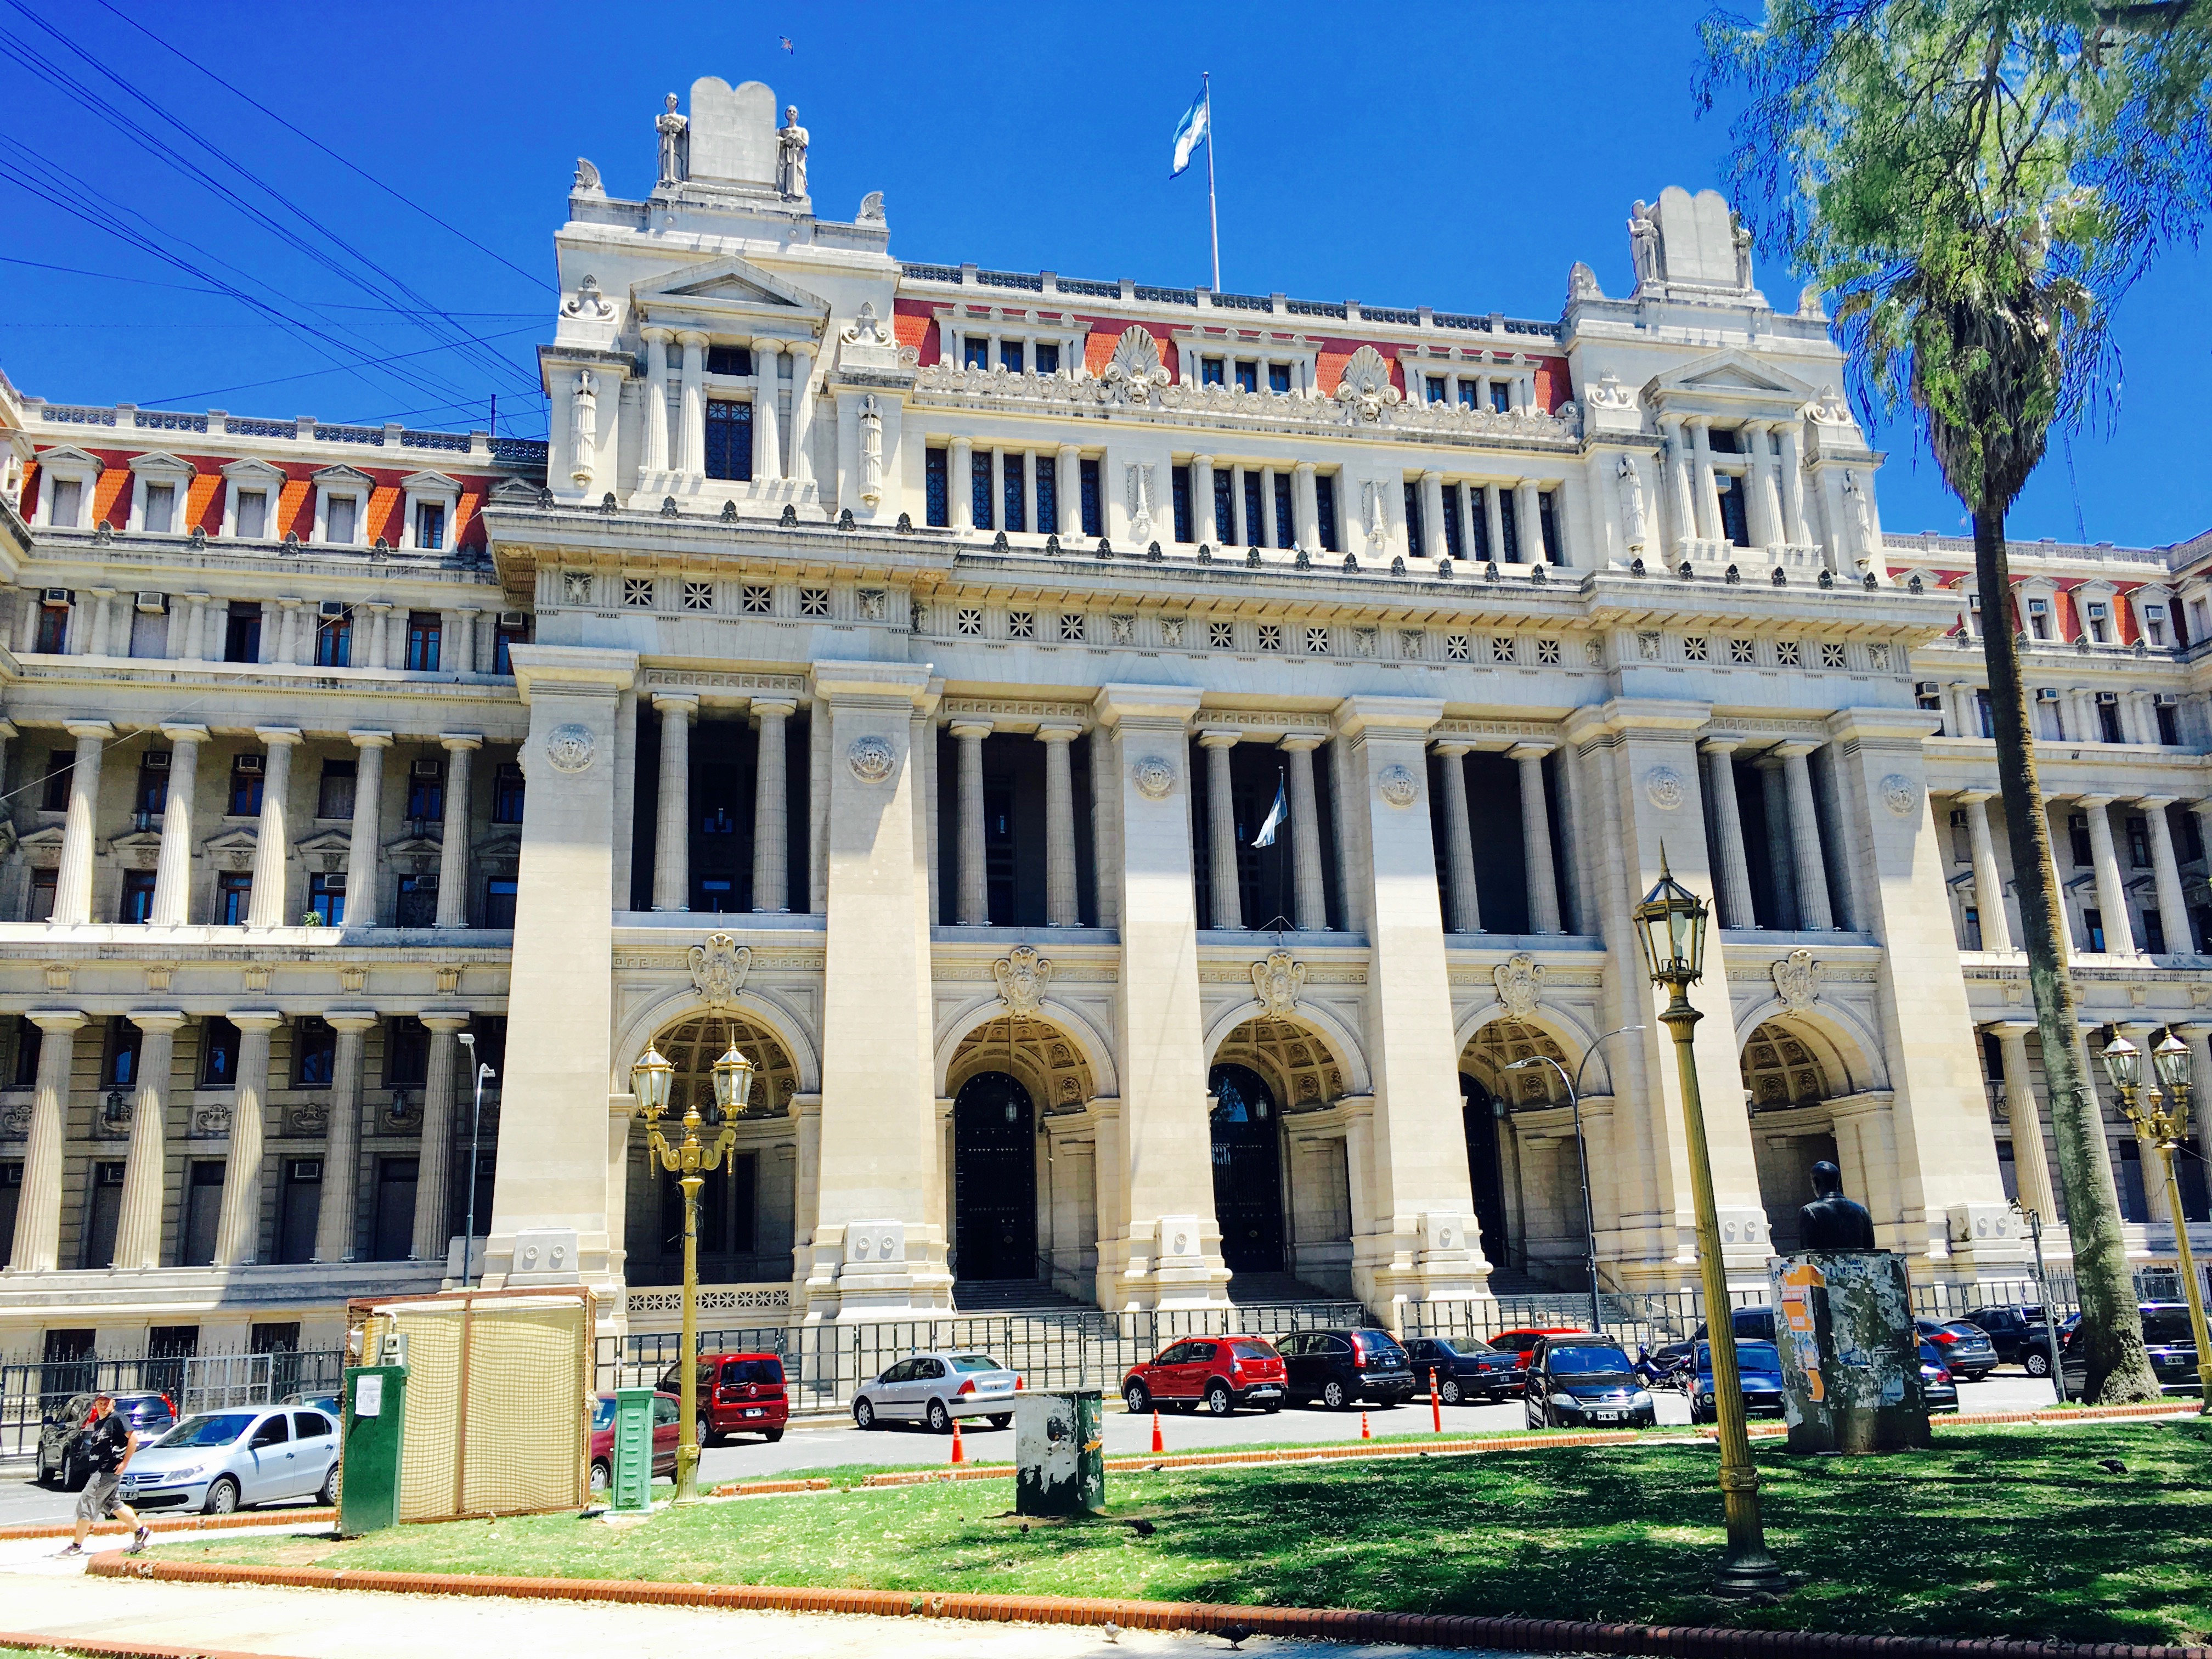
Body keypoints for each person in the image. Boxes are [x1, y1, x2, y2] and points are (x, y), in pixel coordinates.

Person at [60, 1394, 149, 1556]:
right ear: (95, 1405)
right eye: (100, 1403)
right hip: (99, 1469)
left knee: (86, 1503)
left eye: (106, 1403)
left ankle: (76, 1547)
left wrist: (125, 1463)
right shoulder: (100, 1423)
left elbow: (133, 1438)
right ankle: (140, 1531)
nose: (103, 1406)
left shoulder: (117, 1419)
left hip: (106, 1471)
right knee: (114, 1505)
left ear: (113, 1403)